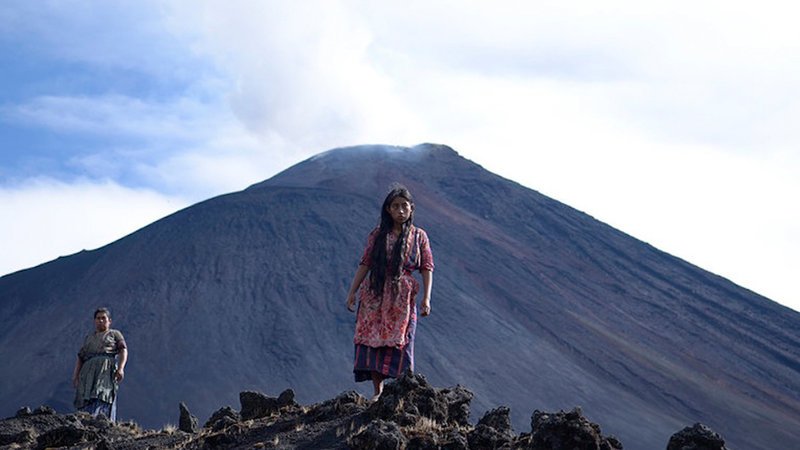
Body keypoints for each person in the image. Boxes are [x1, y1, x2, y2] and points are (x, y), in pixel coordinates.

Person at [346, 184, 434, 401]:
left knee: (404, 338)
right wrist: (352, 292)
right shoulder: (378, 235)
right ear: (388, 210)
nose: (401, 210)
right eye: (395, 206)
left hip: (403, 297)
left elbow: (427, 267)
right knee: (372, 340)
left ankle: (406, 392)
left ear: (412, 208)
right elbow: (365, 263)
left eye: (405, 206)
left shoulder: (419, 236)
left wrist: (426, 298)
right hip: (374, 294)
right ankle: (379, 392)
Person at [72, 307, 128, 421]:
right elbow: (80, 357)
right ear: (94, 320)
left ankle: (101, 421)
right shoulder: (89, 338)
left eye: (103, 318)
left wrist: (121, 368)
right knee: (85, 396)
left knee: (102, 393)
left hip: (105, 370)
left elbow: (123, 350)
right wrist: (76, 376)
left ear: (109, 321)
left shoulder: (114, 334)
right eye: (98, 318)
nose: (101, 321)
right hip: (88, 373)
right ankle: (85, 422)